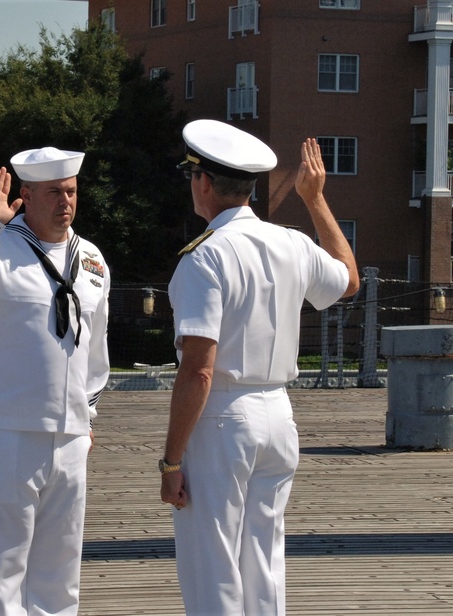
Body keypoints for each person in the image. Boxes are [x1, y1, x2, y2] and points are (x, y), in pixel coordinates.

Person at [159, 120, 360, 615]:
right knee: (264, 562)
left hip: (224, 417)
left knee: (214, 566)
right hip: (278, 415)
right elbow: (348, 280)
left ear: (203, 182)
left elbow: (198, 371)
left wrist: (170, 461)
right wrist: (315, 200)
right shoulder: (289, 243)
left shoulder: (204, 258)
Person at [0, 147, 110, 615]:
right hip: (6, 431)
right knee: (6, 572)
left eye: (70, 192)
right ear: (26, 196)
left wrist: (87, 415)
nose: (65, 202)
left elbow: (95, 348)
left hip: (69, 436)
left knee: (61, 572)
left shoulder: (90, 259)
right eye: (53, 193)